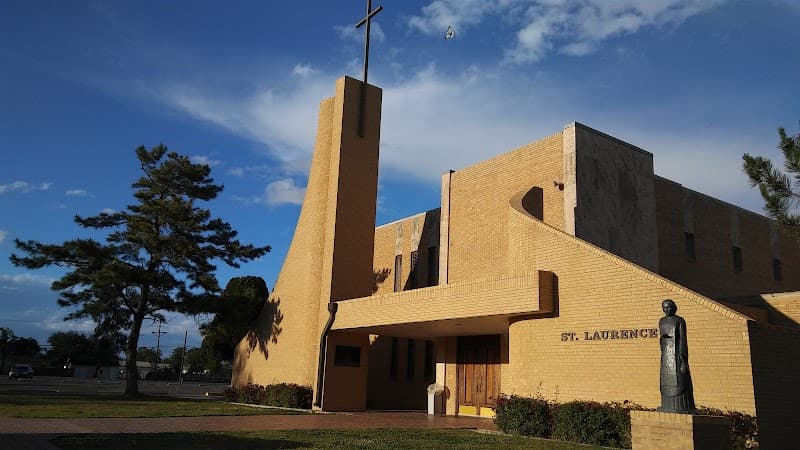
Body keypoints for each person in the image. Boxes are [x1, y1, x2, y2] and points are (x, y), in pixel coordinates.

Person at [658, 299, 695, 413]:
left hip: (677, 356)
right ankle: (667, 405)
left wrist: (684, 360)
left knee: (680, 381)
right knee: (666, 381)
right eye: (664, 307)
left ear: (674, 307)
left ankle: (682, 406)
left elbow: (683, 341)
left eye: (668, 307)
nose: (666, 309)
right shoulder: (662, 321)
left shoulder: (679, 321)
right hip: (666, 357)